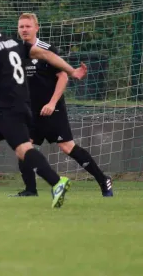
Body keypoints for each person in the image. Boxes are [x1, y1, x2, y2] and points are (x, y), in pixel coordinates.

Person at [0, 10, 87, 208]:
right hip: (20, 108)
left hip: (10, 111)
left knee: (24, 150)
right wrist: (72, 71)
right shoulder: (13, 43)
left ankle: (57, 182)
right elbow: (46, 54)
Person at [10, 13, 113, 197]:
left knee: (67, 147)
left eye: (28, 26)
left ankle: (103, 180)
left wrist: (52, 102)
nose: (24, 30)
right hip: (30, 109)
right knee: (23, 148)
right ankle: (30, 190)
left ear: (36, 28)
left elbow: (63, 76)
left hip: (52, 108)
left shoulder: (47, 49)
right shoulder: (17, 51)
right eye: (21, 27)